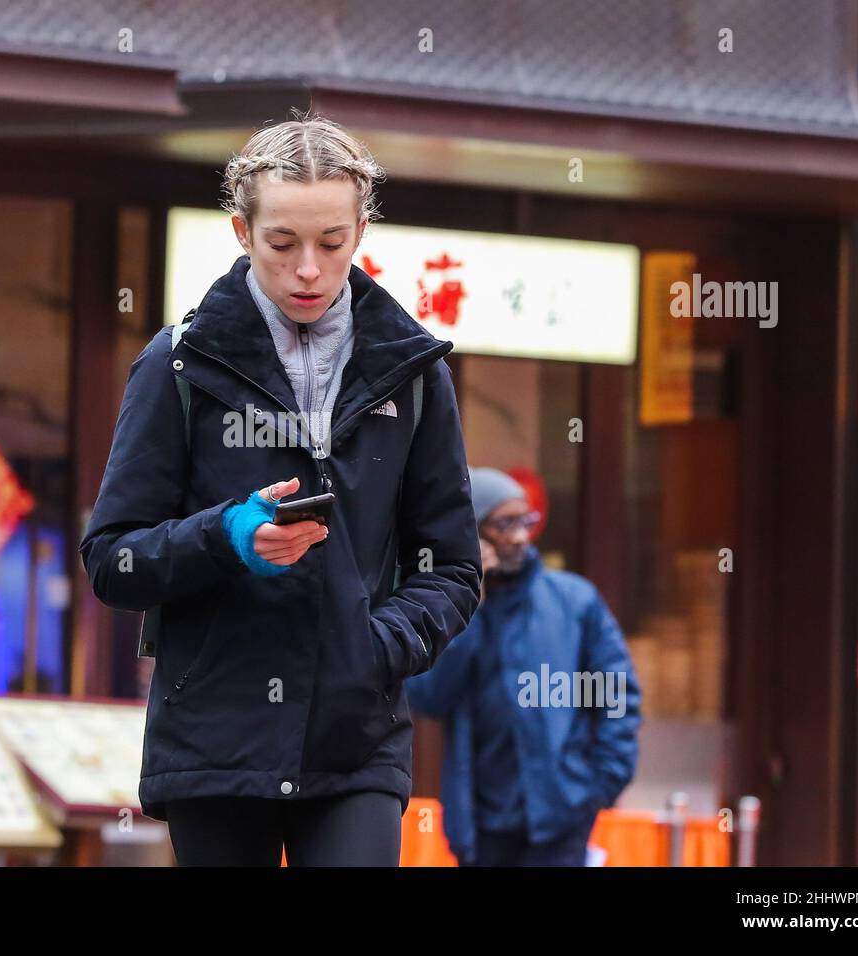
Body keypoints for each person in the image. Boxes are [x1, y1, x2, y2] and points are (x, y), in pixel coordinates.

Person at [78, 113, 482, 866]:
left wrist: (376, 646)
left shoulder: (416, 375)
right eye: (282, 243)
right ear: (242, 232)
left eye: (331, 242)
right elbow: (112, 559)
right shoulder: (177, 365)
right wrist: (228, 536)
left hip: (356, 737)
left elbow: (453, 567)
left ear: (361, 231)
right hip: (215, 737)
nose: (308, 270)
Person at [405, 468, 641, 866]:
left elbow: (615, 695)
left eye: (524, 522)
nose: (518, 536)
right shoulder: (447, 609)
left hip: (562, 819)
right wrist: (470, 600)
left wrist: (601, 785)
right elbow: (429, 697)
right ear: (472, 532)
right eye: (504, 524)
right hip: (481, 827)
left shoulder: (575, 601)